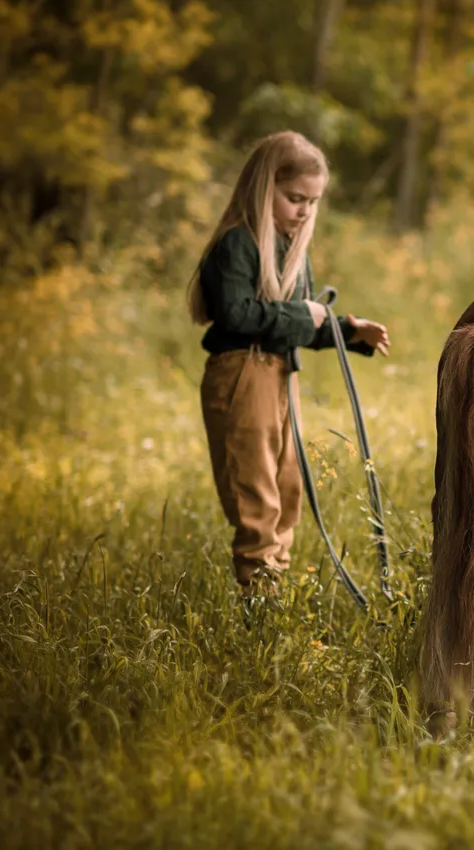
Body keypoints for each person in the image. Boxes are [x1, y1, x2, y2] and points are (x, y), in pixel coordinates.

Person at [185, 131, 390, 594]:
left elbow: (295, 323)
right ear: (264, 188)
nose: (304, 211)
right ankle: (259, 595)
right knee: (256, 489)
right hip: (241, 372)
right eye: (295, 198)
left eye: (312, 202)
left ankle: (275, 586)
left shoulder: (291, 247)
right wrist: (303, 315)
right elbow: (236, 314)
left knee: (288, 483)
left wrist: (345, 332)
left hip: (280, 373)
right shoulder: (237, 244)